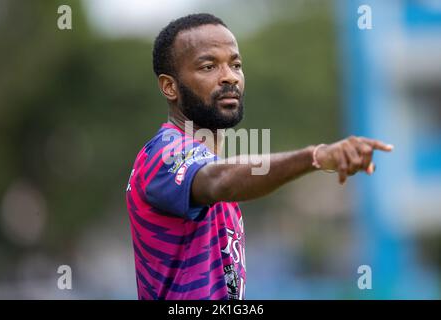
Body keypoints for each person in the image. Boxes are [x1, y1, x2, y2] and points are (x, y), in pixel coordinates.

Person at [125, 13, 393, 300]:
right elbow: (222, 180)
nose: (229, 76)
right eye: (208, 66)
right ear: (170, 86)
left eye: (236, 64)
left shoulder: (208, 162)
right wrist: (314, 157)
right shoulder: (163, 153)